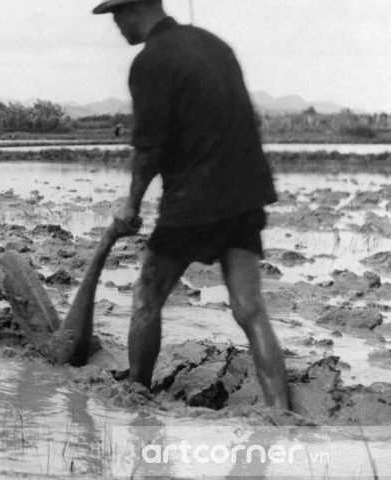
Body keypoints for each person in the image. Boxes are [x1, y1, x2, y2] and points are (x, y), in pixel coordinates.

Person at [92, 0, 290, 409]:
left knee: (147, 294)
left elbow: (148, 148)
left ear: (134, 10)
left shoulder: (149, 62)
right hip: (245, 195)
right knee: (251, 309)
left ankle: (137, 400)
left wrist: (130, 206)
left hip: (193, 201)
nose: (115, 25)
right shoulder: (215, 45)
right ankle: (281, 414)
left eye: (115, 15)